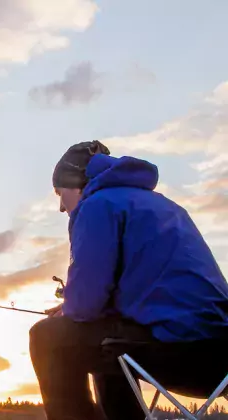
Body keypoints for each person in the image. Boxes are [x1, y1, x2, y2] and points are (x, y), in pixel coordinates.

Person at [29, 140, 228, 420]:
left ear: (76, 184)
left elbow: (86, 306)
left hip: (182, 352)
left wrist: (72, 307)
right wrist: (74, 308)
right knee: (103, 341)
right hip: (218, 353)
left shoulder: (97, 205)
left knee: (47, 337)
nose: (61, 206)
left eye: (59, 193)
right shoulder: (163, 206)